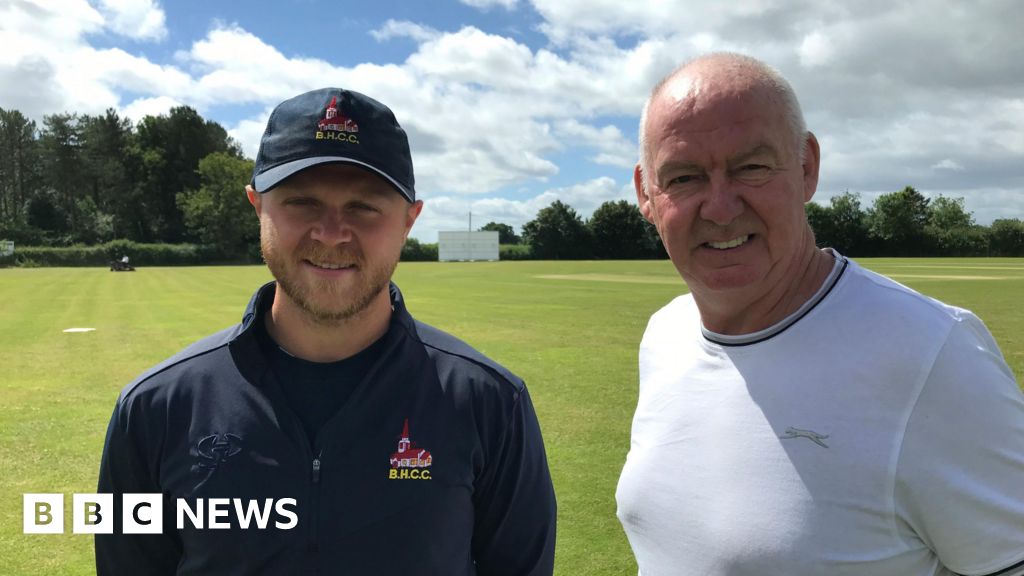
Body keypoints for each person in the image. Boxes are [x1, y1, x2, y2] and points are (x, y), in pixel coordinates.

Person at [96, 87, 556, 575]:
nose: (332, 232)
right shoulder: (154, 408)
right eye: (302, 202)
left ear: (408, 221)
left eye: (363, 207)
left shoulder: (491, 404)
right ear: (258, 206)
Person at [615, 53, 1024, 576]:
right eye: (684, 177)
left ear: (806, 167)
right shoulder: (665, 336)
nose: (719, 207)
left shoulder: (932, 352)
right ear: (646, 194)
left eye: (751, 167)